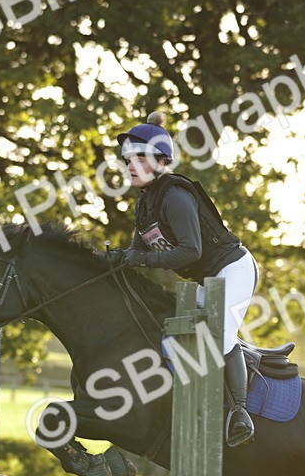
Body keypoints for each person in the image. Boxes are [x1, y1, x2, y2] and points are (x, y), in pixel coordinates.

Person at [103, 112, 260, 447]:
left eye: (138, 158)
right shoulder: (146, 204)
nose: (129, 165)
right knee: (174, 335)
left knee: (218, 336)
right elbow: (137, 250)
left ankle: (240, 414)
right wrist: (113, 260)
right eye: (127, 159)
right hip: (207, 280)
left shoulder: (175, 196)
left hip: (233, 269)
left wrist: (139, 258)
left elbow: (189, 251)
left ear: (161, 162)